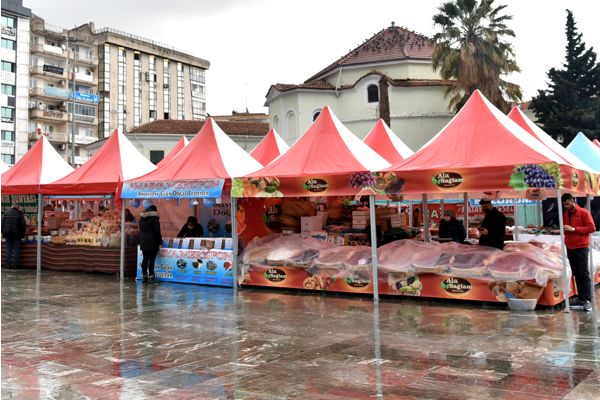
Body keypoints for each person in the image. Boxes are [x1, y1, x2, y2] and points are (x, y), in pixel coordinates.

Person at [562, 193, 596, 311]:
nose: (566, 206)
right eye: (564, 204)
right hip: (570, 247)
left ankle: (587, 300)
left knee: (584, 273)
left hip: (581, 247)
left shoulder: (583, 212)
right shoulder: (566, 214)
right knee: (576, 273)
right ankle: (581, 298)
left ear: (572, 201)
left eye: (567, 204)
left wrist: (574, 229)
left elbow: (592, 228)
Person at [139, 205, 162, 283]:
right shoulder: (154, 219)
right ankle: (151, 277)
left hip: (143, 240)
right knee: (152, 259)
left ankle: (144, 276)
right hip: (152, 240)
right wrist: (159, 242)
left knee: (145, 258)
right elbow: (157, 231)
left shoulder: (141, 219)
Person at [1, 201, 27, 269]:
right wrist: (23, 233)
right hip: (17, 234)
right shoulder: (20, 213)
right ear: (17, 207)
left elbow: (2, 224)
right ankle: (16, 264)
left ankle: (8, 264)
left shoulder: (6, 213)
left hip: (7, 233)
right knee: (16, 248)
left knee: (9, 248)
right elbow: (23, 224)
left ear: (11, 206)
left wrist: (2, 233)